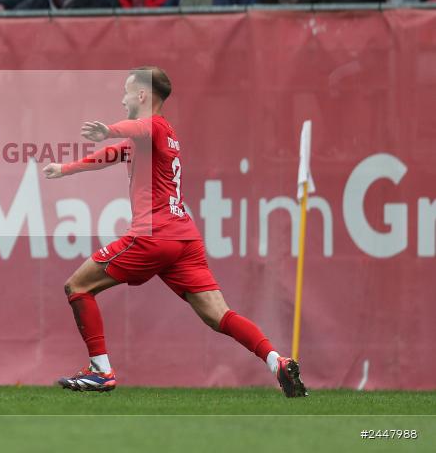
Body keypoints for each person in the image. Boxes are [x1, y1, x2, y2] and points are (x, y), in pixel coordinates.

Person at [42, 66, 308, 398]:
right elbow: (114, 153)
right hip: (184, 239)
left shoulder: (150, 125)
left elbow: (132, 129)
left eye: (126, 92)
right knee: (218, 315)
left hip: (153, 235)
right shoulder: (164, 132)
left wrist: (107, 129)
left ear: (142, 95)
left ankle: (101, 370)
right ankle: (276, 360)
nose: (122, 99)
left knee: (77, 286)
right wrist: (66, 169)